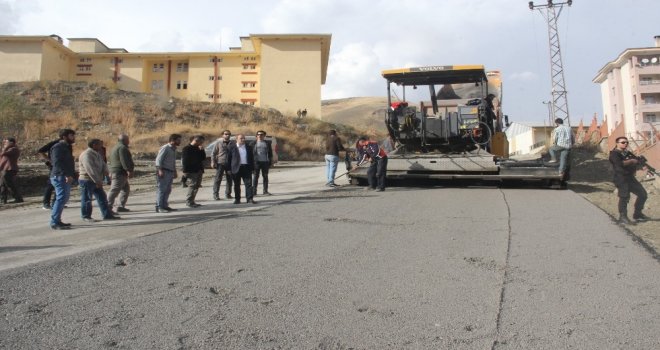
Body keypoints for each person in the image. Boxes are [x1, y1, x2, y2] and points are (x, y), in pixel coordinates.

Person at [609, 136, 649, 225]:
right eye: (623, 142)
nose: (625, 144)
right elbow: (618, 164)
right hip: (620, 178)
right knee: (624, 197)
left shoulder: (627, 153)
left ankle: (637, 214)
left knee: (643, 194)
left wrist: (641, 165)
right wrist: (631, 161)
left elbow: (637, 161)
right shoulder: (614, 154)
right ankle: (622, 217)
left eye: (627, 142)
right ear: (617, 143)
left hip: (630, 177)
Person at [78, 139, 119, 221]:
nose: (101, 146)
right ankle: (86, 216)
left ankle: (107, 215)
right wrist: (97, 181)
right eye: (99, 145)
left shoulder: (96, 154)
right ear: (94, 145)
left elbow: (103, 164)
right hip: (87, 180)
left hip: (97, 180)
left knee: (102, 198)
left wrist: (106, 172)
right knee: (87, 199)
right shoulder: (87, 155)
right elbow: (90, 169)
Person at [49, 129, 76, 230]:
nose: (73, 138)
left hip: (64, 176)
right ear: (64, 137)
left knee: (63, 199)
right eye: (71, 135)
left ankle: (57, 220)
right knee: (60, 199)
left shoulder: (66, 147)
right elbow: (57, 162)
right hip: (59, 176)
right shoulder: (58, 147)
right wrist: (65, 174)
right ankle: (54, 222)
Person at [108, 134, 135, 213]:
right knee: (114, 190)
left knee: (125, 189)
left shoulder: (116, 147)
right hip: (119, 172)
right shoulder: (122, 148)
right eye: (128, 140)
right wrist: (129, 170)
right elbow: (124, 160)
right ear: (124, 140)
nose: (129, 141)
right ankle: (107, 207)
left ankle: (120, 206)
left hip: (117, 172)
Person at [155, 134, 182, 213]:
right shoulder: (165, 148)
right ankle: (159, 207)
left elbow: (172, 162)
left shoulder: (174, 149)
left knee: (168, 190)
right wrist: (160, 170)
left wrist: (175, 171)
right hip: (164, 171)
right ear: (173, 140)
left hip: (170, 171)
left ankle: (165, 206)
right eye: (178, 140)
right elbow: (158, 160)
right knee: (161, 189)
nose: (180, 142)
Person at [227, 134, 256, 204]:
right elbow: (228, 159)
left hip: (246, 167)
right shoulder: (232, 147)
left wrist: (253, 168)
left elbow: (251, 158)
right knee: (237, 184)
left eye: (244, 138)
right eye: (241, 138)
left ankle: (249, 199)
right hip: (236, 168)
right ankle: (237, 199)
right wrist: (228, 169)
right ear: (236, 139)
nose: (243, 140)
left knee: (248, 184)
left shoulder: (248, 147)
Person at [181, 135, 206, 208]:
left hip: (199, 170)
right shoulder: (186, 149)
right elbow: (184, 161)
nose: (201, 144)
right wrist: (185, 171)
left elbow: (203, 158)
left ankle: (192, 201)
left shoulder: (198, 148)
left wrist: (202, 150)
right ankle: (189, 201)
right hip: (191, 170)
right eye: (201, 142)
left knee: (197, 186)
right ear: (196, 141)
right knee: (192, 185)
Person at [37, 138, 60, 209]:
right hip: (54, 168)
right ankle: (46, 203)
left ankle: (56, 203)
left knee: (60, 185)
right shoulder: (55, 143)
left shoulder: (67, 144)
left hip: (62, 167)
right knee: (50, 185)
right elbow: (40, 151)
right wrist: (50, 160)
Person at [211, 130, 233, 200]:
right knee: (218, 179)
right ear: (222, 135)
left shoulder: (232, 143)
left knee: (229, 179)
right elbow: (213, 153)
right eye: (226, 134)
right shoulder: (218, 143)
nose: (227, 135)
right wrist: (213, 162)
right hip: (220, 163)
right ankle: (215, 194)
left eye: (229, 134)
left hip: (229, 163)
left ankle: (228, 193)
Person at [0, 137, 23, 204]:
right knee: (2, 185)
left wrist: (6, 147)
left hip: (10, 169)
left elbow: (3, 154)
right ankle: (2, 199)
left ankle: (18, 198)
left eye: (6, 142)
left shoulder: (14, 149)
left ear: (11, 143)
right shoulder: (8, 149)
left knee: (9, 184)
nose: (5, 144)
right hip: (4, 169)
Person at [251, 130, 273, 196]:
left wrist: (270, 162)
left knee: (265, 177)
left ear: (264, 136)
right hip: (256, 163)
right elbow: (250, 154)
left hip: (265, 162)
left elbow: (270, 153)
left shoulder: (267, 143)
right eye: (258, 134)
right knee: (255, 177)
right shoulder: (253, 143)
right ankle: (254, 191)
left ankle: (265, 191)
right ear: (256, 136)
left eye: (261, 134)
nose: (260, 136)